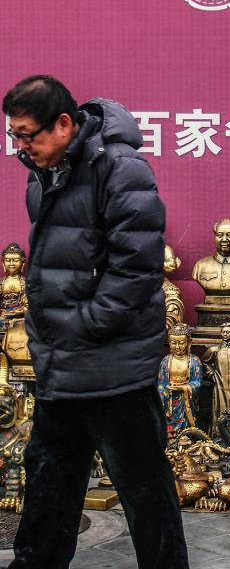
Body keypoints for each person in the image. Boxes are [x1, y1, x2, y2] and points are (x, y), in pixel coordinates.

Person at [2, 75, 189, 568]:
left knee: (145, 493)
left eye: (28, 135)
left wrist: (86, 324)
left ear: (64, 123)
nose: (21, 146)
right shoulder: (43, 169)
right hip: (62, 363)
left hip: (113, 365)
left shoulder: (120, 169)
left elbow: (136, 267)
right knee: (47, 487)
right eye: (14, 136)